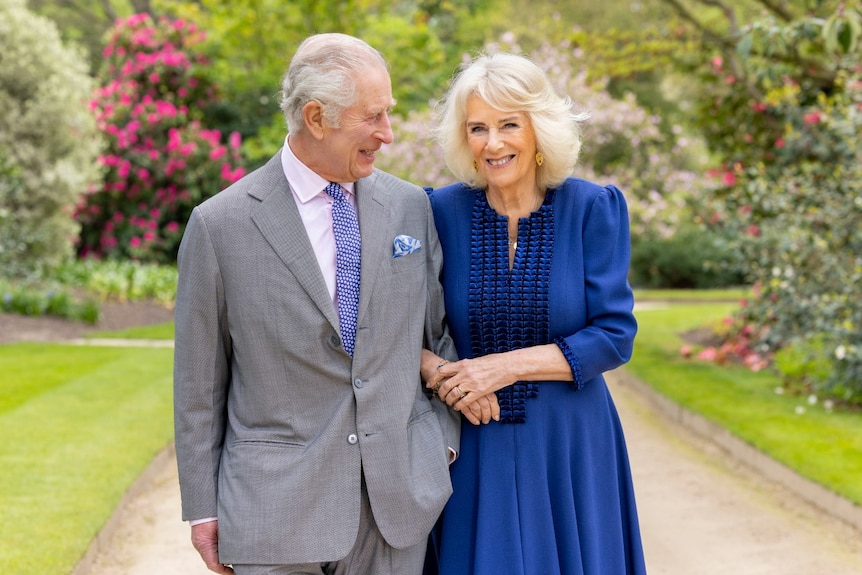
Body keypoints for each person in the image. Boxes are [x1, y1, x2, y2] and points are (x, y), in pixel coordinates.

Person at [173, 33, 467, 575]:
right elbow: (198, 385)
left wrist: (438, 446)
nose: (388, 133)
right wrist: (202, 509)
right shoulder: (220, 226)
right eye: (373, 116)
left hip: (396, 505)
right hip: (273, 514)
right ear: (316, 117)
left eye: (389, 113)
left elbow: (437, 335)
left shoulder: (409, 208)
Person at [421, 52, 648, 574]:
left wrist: (504, 366)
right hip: (474, 440)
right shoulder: (437, 212)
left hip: (571, 444)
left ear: (538, 130)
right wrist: (439, 374)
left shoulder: (593, 208)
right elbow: (395, 322)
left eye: (508, 125)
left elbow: (615, 334)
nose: (493, 143)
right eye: (477, 128)